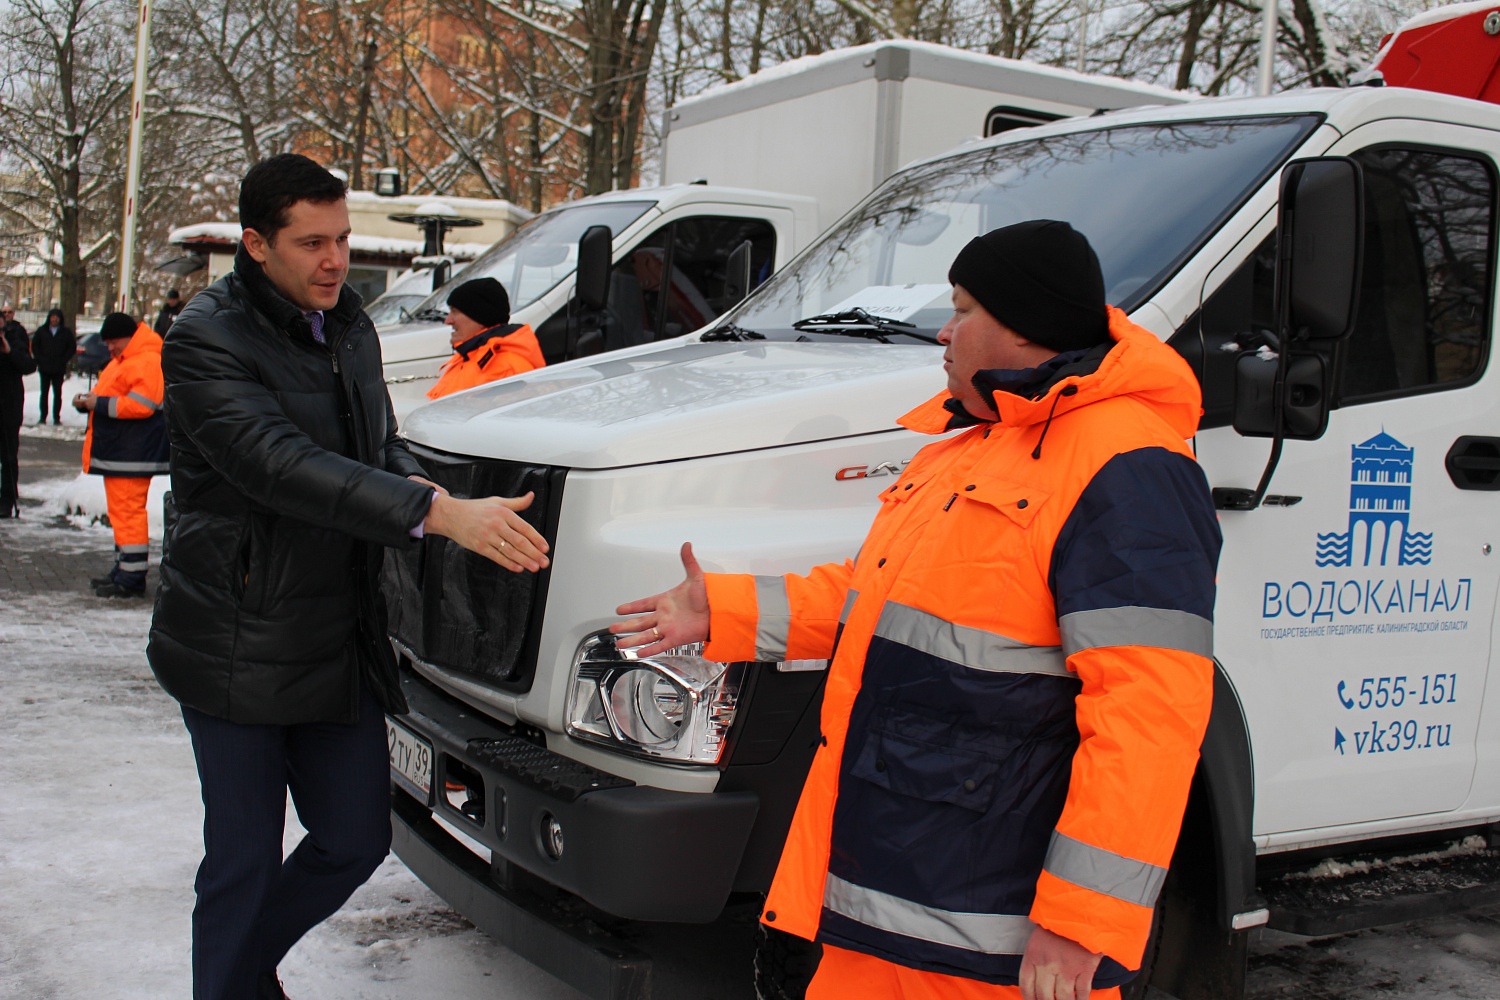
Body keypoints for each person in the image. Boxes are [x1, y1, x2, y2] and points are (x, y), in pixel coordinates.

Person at [613, 221, 1222, 1000]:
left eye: (963, 309)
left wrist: (1084, 922)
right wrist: (724, 608)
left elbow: (1151, 714)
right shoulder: (970, 443)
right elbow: (878, 597)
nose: (944, 330)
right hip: (893, 887)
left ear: (1024, 324)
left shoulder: (1129, 466)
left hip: (987, 932)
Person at [146, 153, 551, 1000]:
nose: (334, 260)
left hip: (336, 632)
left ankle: (239, 965)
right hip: (235, 639)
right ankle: (229, 982)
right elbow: (277, 465)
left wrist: (421, 484)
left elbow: (373, 446)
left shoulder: (349, 321)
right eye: (311, 243)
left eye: (341, 239)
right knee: (243, 862)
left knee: (353, 839)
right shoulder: (204, 339)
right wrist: (433, 515)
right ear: (256, 245)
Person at [75, 312, 170, 596]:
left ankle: (131, 577)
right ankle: (124, 569)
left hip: (131, 452)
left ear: (128, 337)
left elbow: (142, 405)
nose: (109, 348)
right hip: (123, 451)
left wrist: (98, 403)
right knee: (121, 513)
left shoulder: (147, 359)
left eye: (112, 342)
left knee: (128, 513)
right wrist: (89, 402)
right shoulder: (127, 360)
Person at [425, 276, 544, 400]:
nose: (448, 320)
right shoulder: (468, 358)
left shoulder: (506, 367)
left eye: (455, 312)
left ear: (480, 317)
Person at [0, 305, 37, 517]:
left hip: (9, 405)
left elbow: (29, 366)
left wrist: (9, 351)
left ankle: (7, 498)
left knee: (8, 456)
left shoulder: (15, 337)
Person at [31, 308, 75, 425]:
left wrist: (64, 359)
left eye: (57, 317)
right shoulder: (42, 331)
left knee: (57, 394)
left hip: (58, 368)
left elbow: (71, 347)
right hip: (44, 367)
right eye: (52, 317)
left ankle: (56, 417)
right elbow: (35, 346)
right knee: (44, 393)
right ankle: (43, 417)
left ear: (60, 319)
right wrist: (39, 359)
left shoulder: (66, 332)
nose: (54, 319)